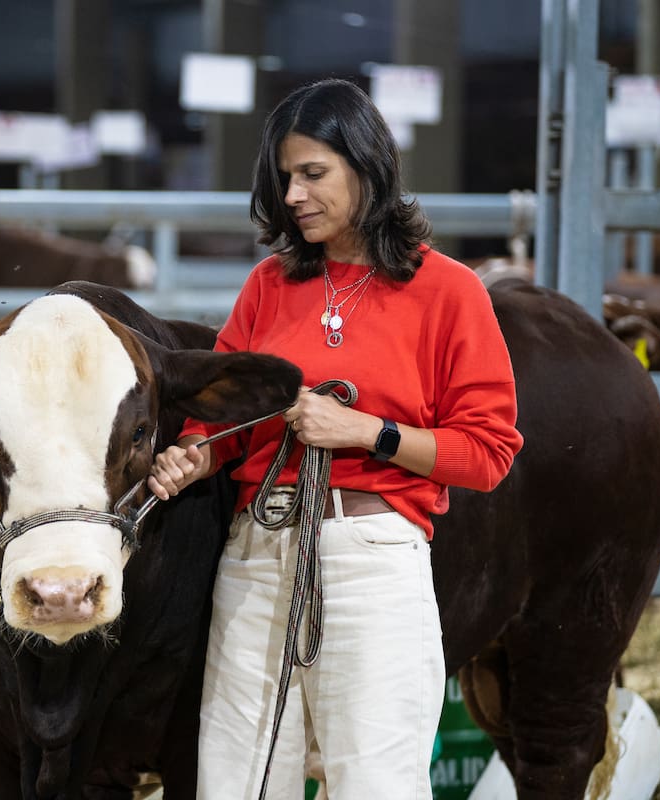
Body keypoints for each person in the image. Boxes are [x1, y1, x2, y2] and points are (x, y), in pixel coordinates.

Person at [147, 78, 523, 799]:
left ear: (366, 166)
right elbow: (225, 418)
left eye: (313, 173)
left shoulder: (449, 292)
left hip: (372, 564)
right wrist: (194, 455)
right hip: (257, 559)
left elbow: (487, 453)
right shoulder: (269, 284)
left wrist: (367, 432)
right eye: (285, 177)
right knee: (237, 785)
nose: (293, 195)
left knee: (376, 785)